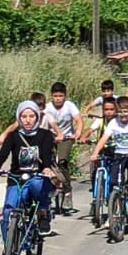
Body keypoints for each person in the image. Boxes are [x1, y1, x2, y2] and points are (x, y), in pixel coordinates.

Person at [0, 101, 61, 243]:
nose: (28, 120)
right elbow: (3, 154)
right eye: (24, 116)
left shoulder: (45, 135)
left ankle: (43, 213)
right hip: (16, 178)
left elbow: (46, 154)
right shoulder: (13, 136)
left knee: (38, 186)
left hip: (37, 176)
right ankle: (7, 249)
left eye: (32, 116)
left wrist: (46, 168)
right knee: (7, 213)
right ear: (19, 118)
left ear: (37, 117)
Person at [88, 96, 128, 216]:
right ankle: (115, 209)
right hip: (119, 154)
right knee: (114, 180)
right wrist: (95, 153)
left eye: (126, 111)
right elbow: (103, 139)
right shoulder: (114, 123)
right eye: (120, 112)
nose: (123, 115)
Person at [42, 82, 83, 213]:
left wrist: (77, 133)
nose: (58, 99)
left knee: (62, 162)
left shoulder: (70, 106)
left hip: (66, 138)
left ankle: (67, 191)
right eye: (55, 96)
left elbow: (79, 120)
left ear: (65, 96)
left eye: (60, 96)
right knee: (46, 163)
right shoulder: (47, 108)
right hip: (51, 138)